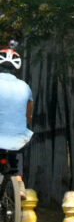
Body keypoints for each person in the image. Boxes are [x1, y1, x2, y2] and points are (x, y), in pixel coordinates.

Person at [0, 47, 34, 200]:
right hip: (17, 138)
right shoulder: (25, 87)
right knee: (16, 150)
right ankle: (19, 181)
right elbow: (29, 115)